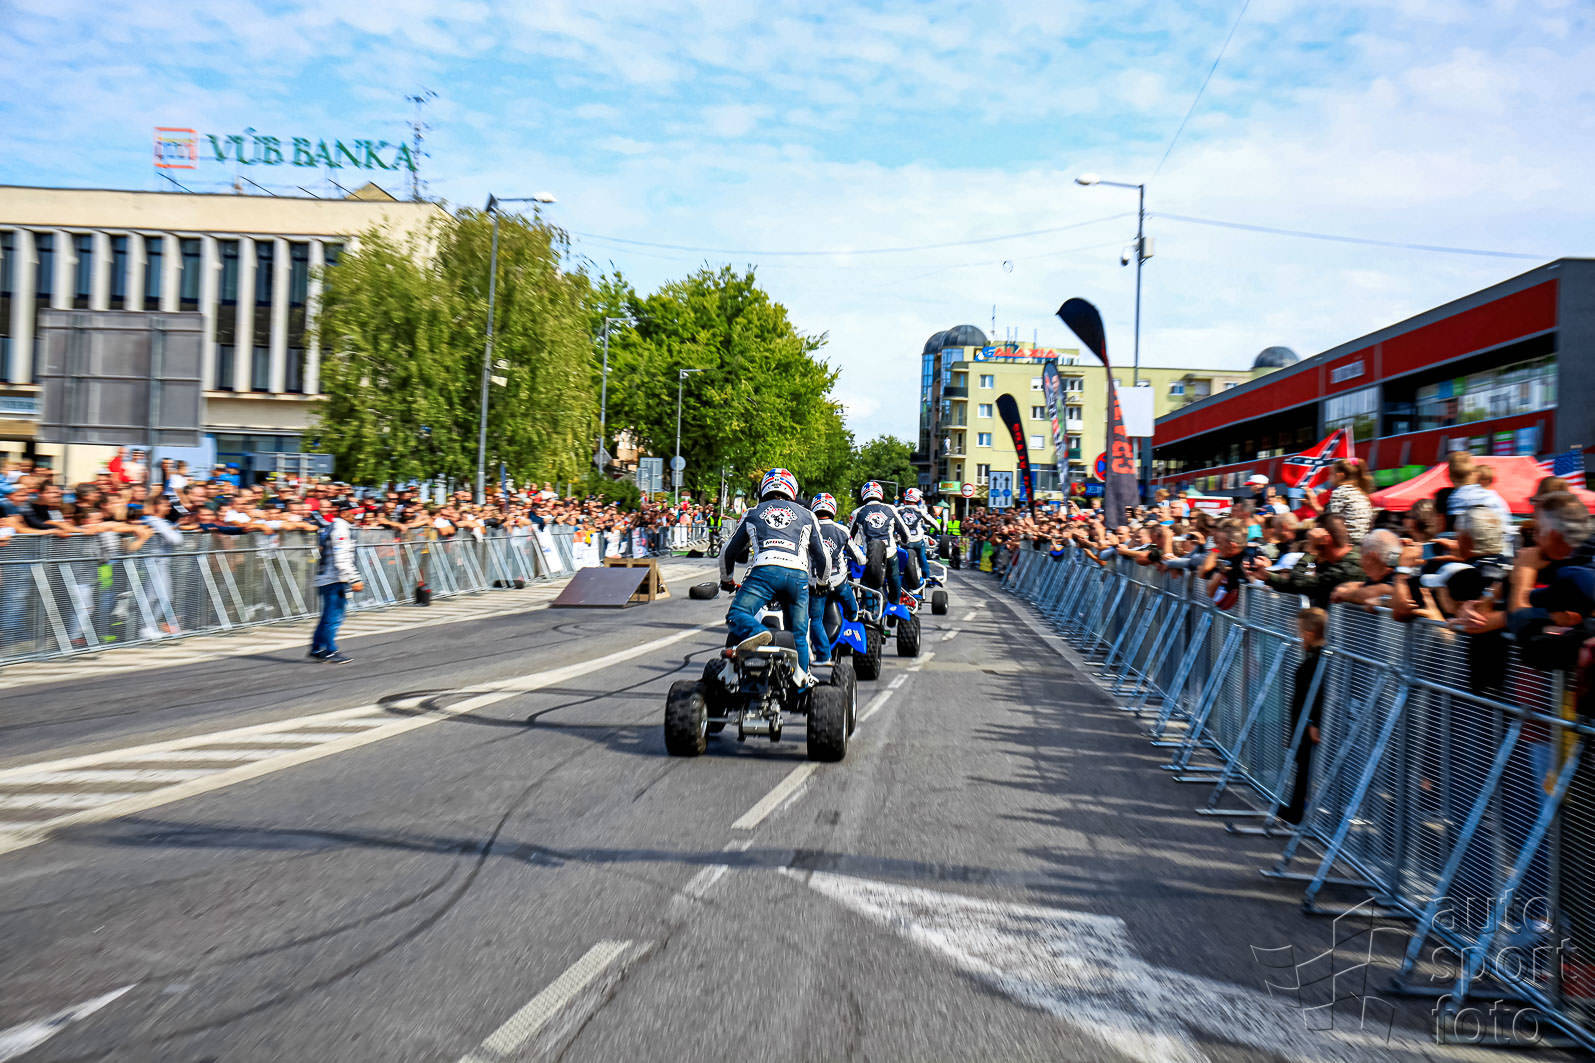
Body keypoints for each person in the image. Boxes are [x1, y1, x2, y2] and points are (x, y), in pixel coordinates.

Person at [718, 468, 832, 684]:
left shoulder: (753, 512)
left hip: (764, 572)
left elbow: (727, 552)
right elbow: (823, 557)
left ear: (764, 488)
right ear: (792, 490)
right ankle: (802, 679)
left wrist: (727, 580)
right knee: (799, 633)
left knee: (737, 614)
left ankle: (757, 633)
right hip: (797, 577)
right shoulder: (807, 515)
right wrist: (822, 583)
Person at [1280, 607, 1328, 825]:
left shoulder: (1318, 660)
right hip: (1301, 719)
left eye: (1300, 632)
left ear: (1309, 633)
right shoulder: (1314, 657)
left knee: (1307, 766)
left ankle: (1299, 811)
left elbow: (1318, 693)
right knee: (1301, 764)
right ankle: (1296, 806)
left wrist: (1314, 722)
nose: (1299, 637)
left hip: (1308, 722)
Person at [807, 492, 865, 666]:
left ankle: (824, 655)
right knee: (852, 604)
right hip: (838, 582)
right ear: (833, 509)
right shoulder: (842, 530)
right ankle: (853, 619)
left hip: (815, 584)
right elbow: (860, 558)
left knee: (815, 620)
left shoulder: (807, 528)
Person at [310, 497, 364, 663]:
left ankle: (317, 648)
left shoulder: (335, 526)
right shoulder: (340, 528)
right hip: (333, 580)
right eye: (353, 513)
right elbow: (341, 559)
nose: (356, 516)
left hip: (328, 578)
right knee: (334, 617)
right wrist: (355, 578)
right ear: (344, 513)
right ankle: (330, 650)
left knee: (328, 616)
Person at [848, 481, 910, 606]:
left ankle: (869, 610)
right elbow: (905, 533)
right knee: (894, 577)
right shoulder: (891, 509)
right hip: (890, 553)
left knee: (866, 583)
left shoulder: (857, 512)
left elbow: (849, 537)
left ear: (864, 494)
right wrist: (904, 541)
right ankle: (895, 605)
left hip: (869, 556)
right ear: (880, 493)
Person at [895, 487, 941, 592]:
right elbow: (935, 524)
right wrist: (937, 528)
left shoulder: (898, 510)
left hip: (903, 542)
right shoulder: (920, 511)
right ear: (917, 498)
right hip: (917, 541)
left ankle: (900, 579)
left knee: (899, 560)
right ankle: (926, 577)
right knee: (922, 557)